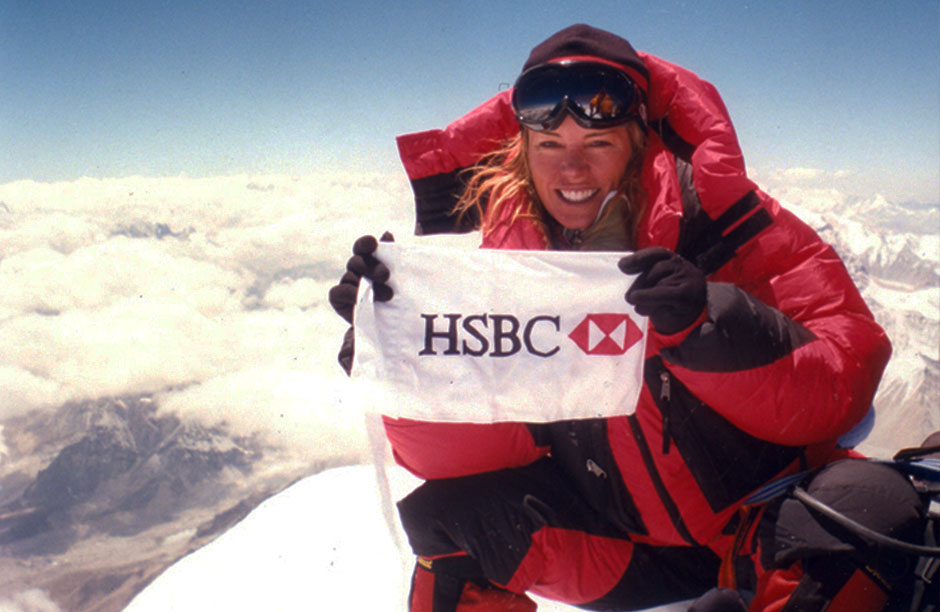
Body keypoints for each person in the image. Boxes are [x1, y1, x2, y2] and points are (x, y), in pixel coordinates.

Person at [329, 24, 926, 611]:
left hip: (766, 516)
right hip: (631, 551)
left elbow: (846, 381)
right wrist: (405, 363)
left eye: (597, 144)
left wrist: (705, 324)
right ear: (523, 154)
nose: (572, 171)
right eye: (551, 147)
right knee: (447, 520)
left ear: (638, 144)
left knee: (869, 503)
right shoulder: (509, 271)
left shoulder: (725, 223)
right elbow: (489, 455)